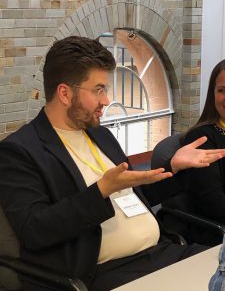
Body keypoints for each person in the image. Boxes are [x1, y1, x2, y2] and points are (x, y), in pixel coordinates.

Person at [0, 36, 225, 291]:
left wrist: (174, 167)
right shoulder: (20, 151)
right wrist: (101, 191)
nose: (106, 100)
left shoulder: (100, 135)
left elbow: (138, 195)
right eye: (98, 89)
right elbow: (35, 229)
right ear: (65, 93)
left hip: (161, 252)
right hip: (100, 272)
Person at [181, 59, 225, 243]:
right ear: (212, 94)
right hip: (216, 233)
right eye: (222, 90)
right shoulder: (202, 139)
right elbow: (215, 205)